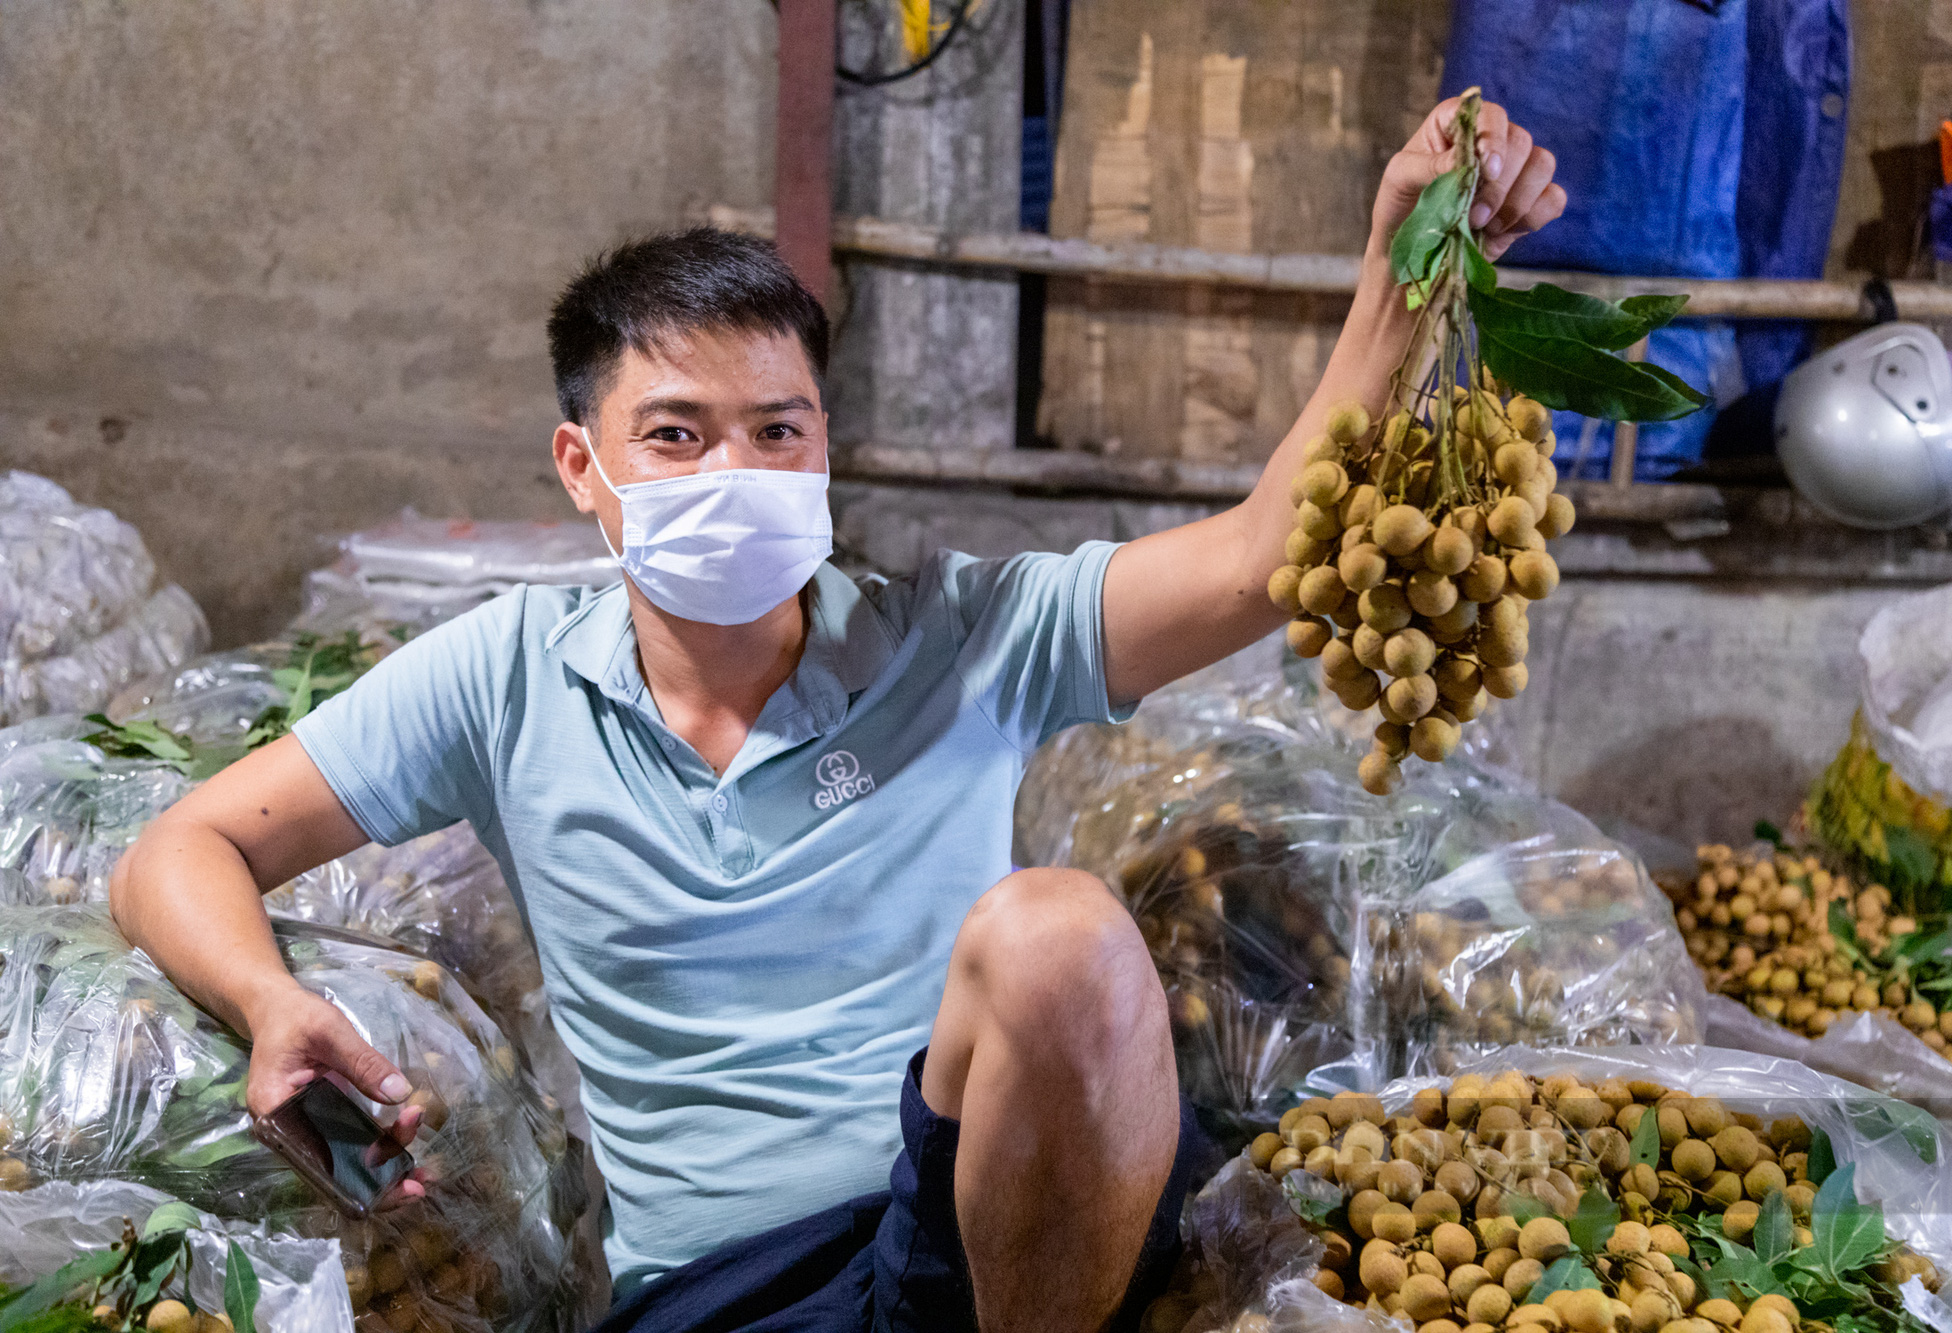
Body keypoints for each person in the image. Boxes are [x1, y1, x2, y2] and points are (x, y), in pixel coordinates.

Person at [109, 96, 1563, 1333]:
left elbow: (1263, 556)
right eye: (676, 435)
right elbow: (178, 851)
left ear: (824, 451)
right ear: (580, 464)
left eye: (777, 431)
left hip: (977, 1244)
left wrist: (1404, 270)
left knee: (1055, 932)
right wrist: (271, 1003)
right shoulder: (503, 676)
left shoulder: (963, 632)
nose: (734, 469)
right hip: (720, 1294)